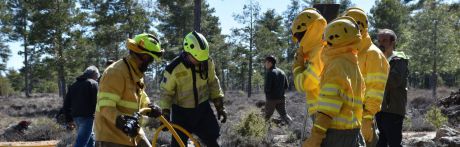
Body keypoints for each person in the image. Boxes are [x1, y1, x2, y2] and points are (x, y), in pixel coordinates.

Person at [303, 16, 365, 147]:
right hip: (352, 131)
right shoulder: (352, 63)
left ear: (331, 39)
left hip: (336, 134)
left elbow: (328, 108)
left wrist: (316, 136)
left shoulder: (336, 65)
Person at [94, 33, 164, 147]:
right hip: (112, 136)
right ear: (136, 53)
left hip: (133, 134)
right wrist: (122, 121)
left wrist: (150, 107)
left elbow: (140, 95)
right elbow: (105, 106)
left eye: (151, 60)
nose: (149, 63)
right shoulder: (115, 72)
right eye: (148, 58)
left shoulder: (135, 73)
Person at [159, 31, 227, 147]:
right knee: (178, 144)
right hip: (181, 114)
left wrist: (219, 106)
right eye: (197, 58)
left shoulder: (207, 62)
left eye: (202, 58)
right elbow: (166, 93)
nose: (200, 62)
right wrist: (165, 113)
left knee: (213, 139)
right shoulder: (173, 69)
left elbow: (213, 83)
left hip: (202, 109)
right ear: (187, 52)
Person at [343, 8, 390, 146]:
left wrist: (367, 118)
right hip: (348, 118)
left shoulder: (373, 54)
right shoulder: (352, 53)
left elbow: (376, 89)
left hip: (363, 117)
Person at [376, 29, 409, 147]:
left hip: (393, 109)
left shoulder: (399, 60)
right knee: (381, 142)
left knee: (394, 142)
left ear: (393, 42)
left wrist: (380, 66)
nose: (381, 43)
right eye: (379, 40)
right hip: (379, 108)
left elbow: (394, 82)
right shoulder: (378, 59)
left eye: (384, 40)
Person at [291, 8, 327, 118]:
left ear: (309, 31)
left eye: (299, 36)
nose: (298, 41)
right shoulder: (320, 49)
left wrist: (298, 67)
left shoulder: (319, 53)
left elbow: (305, 84)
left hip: (324, 113)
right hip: (325, 111)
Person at [63, 65, 100, 147]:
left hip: (76, 117)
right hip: (88, 117)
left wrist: (69, 119)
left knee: (89, 139)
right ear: (94, 74)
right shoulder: (93, 84)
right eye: (97, 76)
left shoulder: (74, 85)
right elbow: (97, 102)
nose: (97, 78)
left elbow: (66, 104)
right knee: (81, 143)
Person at [264, 55, 291, 124]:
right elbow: (286, 86)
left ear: (270, 63)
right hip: (281, 98)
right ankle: (292, 126)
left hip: (271, 100)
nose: (265, 64)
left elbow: (267, 88)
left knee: (267, 116)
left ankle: (263, 131)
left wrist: (268, 97)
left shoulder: (270, 72)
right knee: (284, 115)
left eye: (266, 62)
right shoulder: (282, 72)